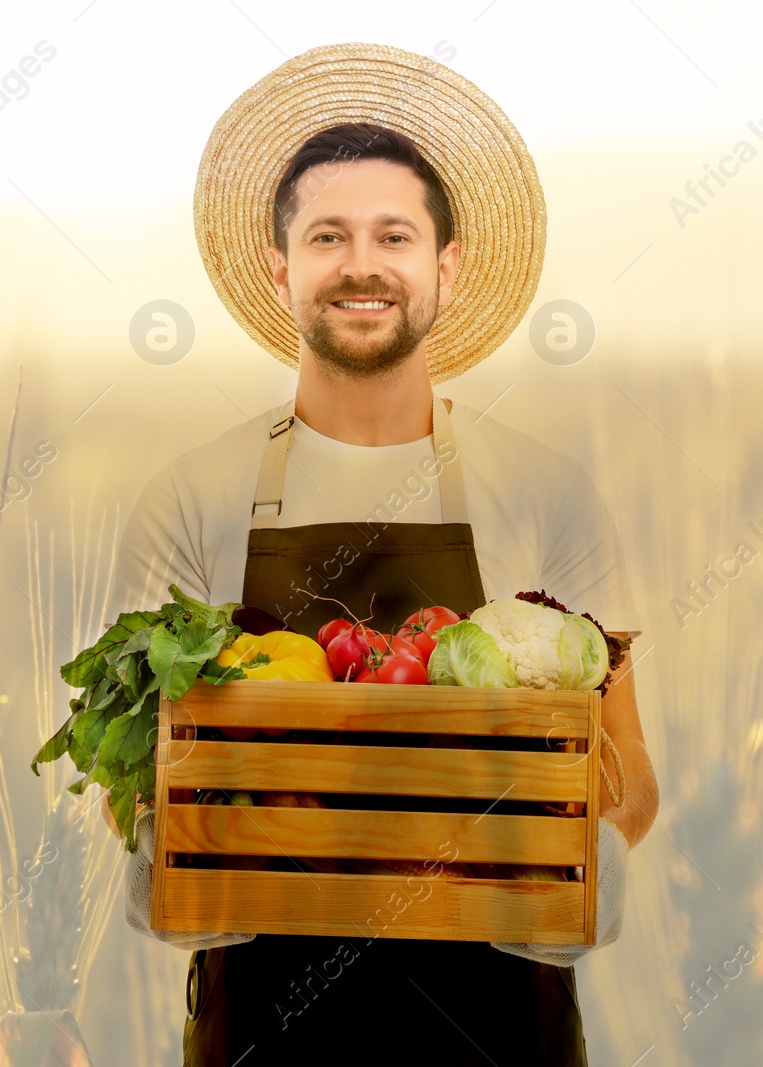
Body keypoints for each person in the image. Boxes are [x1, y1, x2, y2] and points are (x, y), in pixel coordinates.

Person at [109, 43, 660, 1066]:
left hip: (503, 1024)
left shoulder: (547, 490)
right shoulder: (188, 497)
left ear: (442, 266)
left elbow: (630, 774)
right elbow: (134, 772)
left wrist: (592, 861)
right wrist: (160, 858)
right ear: (281, 268)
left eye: (392, 235)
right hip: (258, 1027)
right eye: (328, 235)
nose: (361, 264)